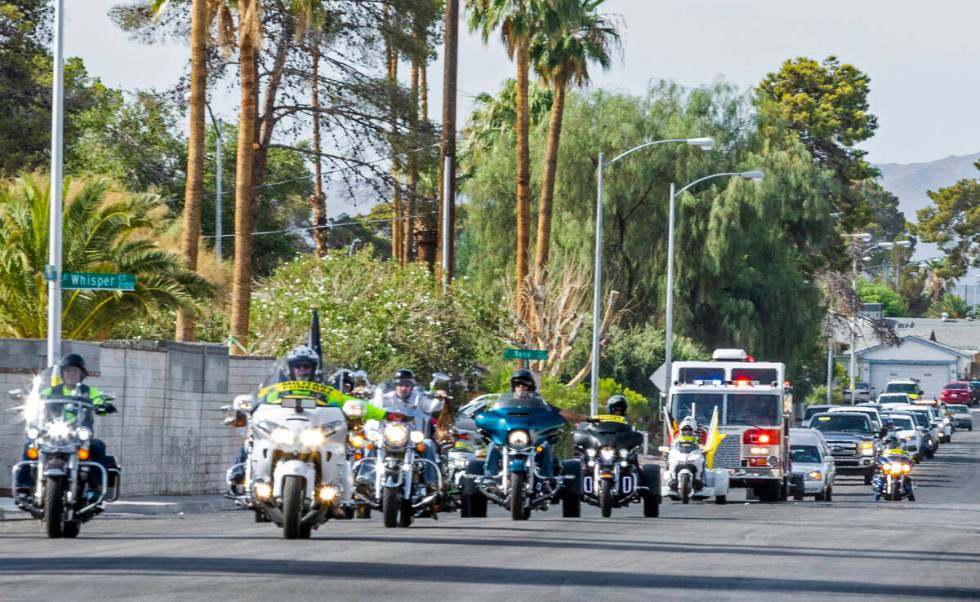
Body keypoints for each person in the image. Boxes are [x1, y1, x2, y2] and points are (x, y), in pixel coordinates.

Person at [15, 354, 117, 504]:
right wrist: (27, 402)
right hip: (52, 433)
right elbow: (38, 399)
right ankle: (23, 487)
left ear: (81, 375)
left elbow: (99, 400)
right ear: (62, 374)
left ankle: (95, 488)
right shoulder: (52, 391)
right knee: (30, 444)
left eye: (75, 371)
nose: (71, 374)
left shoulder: (89, 391)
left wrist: (104, 405)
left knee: (97, 446)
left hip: (78, 435)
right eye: (67, 371)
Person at [484, 369, 589, 479]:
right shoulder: (502, 405)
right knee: (493, 446)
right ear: (514, 386)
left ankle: (547, 478)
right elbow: (492, 415)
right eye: (518, 384)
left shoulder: (539, 404)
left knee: (545, 446)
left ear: (530, 387)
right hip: (507, 440)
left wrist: (583, 418)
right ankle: (489, 478)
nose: (521, 387)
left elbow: (560, 412)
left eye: (525, 384)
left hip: (533, 440)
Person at [376, 369, 442, 489]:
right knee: (372, 442)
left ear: (411, 386)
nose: (403, 388)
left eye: (407, 385)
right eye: (400, 385)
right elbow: (372, 406)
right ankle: (365, 478)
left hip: (413, 437)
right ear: (396, 385)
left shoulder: (419, 398)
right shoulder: (385, 398)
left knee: (428, 444)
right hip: (390, 436)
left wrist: (440, 398)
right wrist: (361, 395)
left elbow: (432, 406)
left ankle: (431, 482)